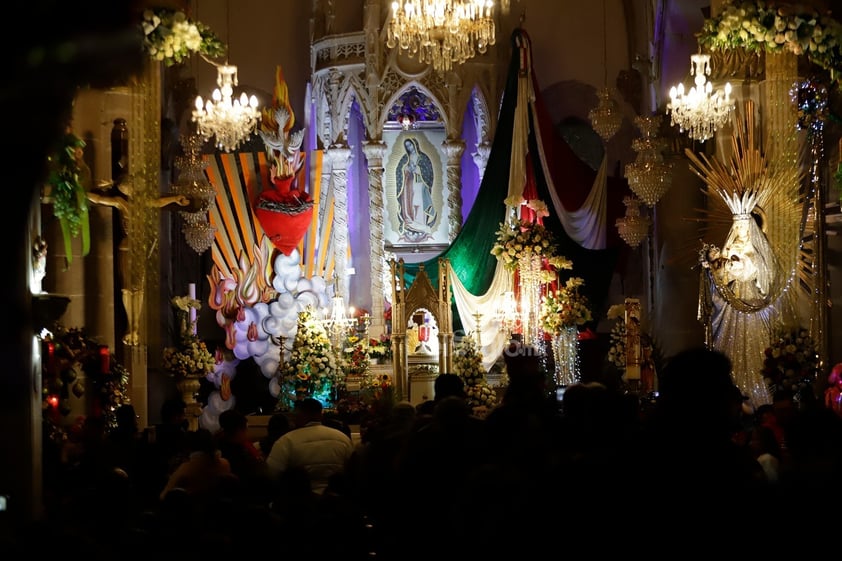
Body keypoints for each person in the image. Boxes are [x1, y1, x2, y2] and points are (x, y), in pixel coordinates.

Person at [265, 398, 354, 496]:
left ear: (299, 414)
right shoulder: (342, 439)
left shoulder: (287, 441)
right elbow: (352, 469)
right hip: (336, 501)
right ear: (320, 414)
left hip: (299, 501)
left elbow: (272, 473)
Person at [396, 136, 436, 240]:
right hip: (409, 186)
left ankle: (421, 226)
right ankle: (412, 226)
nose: (409, 148)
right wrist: (406, 169)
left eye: (410, 145)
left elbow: (428, 172)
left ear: (415, 144)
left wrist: (418, 169)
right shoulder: (405, 159)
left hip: (420, 185)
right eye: (407, 146)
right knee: (411, 205)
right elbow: (399, 170)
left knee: (420, 205)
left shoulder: (423, 158)